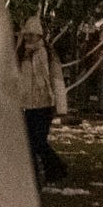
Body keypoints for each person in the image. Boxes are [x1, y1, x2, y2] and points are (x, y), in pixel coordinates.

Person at [15, 17, 68, 185]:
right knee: (30, 142)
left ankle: (55, 168)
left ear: (40, 36)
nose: (29, 38)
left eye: (33, 35)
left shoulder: (47, 54)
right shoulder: (20, 54)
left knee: (37, 142)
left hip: (44, 105)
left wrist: (61, 105)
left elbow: (56, 80)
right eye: (27, 35)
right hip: (27, 105)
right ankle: (38, 175)